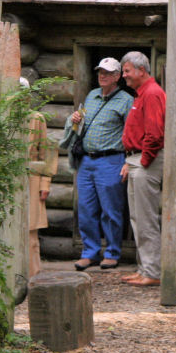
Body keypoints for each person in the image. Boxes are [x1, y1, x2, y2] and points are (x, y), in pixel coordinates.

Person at [65, 57, 134, 271]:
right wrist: (75, 119)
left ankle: (112, 253)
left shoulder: (126, 100)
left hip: (111, 160)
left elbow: (130, 133)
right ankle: (90, 253)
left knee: (111, 210)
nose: (102, 76)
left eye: (107, 72)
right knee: (85, 209)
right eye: (99, 72)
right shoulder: (91, 96)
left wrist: (129, 161)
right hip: (86, 160)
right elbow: (82, 121)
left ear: (117, 77)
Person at [119, 51, 166, 287]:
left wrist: (143, 161)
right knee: (138, 217)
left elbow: (155, 133)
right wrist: (131, 162)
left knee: (146, 219)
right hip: (137, 160)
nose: (124, 75)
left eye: (127, 71)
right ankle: (144, 268)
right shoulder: (141, 94)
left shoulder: (152, 93)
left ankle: (153, 271)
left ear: (141, 70)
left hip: (147, 161)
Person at [22, 77, 59, 279]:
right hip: (9, 182)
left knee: (31, 232)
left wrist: (45, 183)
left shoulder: (36, 118)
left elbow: (46, 152)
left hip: (32, 179)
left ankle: (33, 275)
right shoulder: (2, 118)